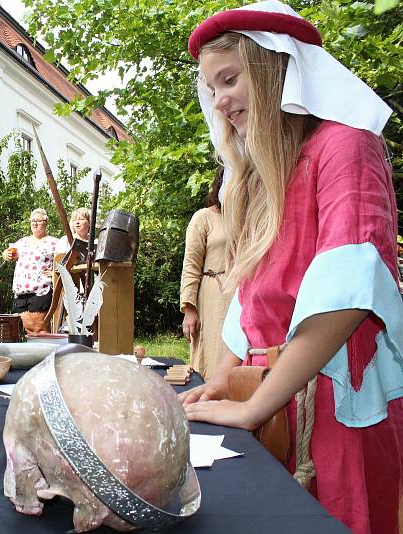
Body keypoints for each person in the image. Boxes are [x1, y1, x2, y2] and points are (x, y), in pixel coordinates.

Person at [180, 2, 402, 532]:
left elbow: (347, 296)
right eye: (212, 89)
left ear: (273, 68)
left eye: (230, 80)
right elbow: (254, 298)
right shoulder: (260, 178)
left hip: (332, 404)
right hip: (272, 396)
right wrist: (224, 381)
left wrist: (253, 407)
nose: (220, 101)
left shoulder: (346, 145)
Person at [179, 169, 232, 380]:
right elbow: (191, 265)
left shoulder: (245, 219)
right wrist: (189, 309)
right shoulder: (203, 217)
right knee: (213, 356)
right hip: (213, 297)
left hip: (241, 296)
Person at [2, 208, 59, 334]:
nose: (35, 223)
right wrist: (6, 254)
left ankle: (46, 353)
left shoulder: (54, 242)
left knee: (39, 328)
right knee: (27, 329)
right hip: (21, 290)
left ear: (45, 222)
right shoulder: (22, 242)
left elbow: (67, 258)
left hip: (40, 289)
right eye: (33, 221)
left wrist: (55, 272)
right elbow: (8, 252)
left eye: (38, 221)